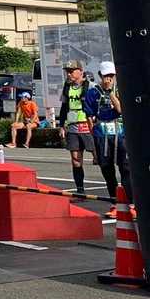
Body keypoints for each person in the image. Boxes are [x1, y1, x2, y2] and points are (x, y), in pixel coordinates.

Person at [91, 60, 130, 210]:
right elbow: (89, 117)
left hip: (120, 134)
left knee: (125, 168)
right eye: (106, 75)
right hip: (102, 135)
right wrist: (93, 142)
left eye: (112, 75)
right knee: (107, 169)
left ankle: (131, 202)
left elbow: (120, 109)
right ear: (100, 75)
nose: (109, 79)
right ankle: (115, 203)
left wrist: (110, 92)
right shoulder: (93, 92)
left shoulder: (121, 90)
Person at [56, 60, 97, 193]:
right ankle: (80, 189)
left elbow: (97, 104)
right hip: (73, 126)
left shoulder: (91, 86)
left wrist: (95, 120)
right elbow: (64, 107)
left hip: (88, 125)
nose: (69, 74)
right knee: (75, 159)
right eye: (67, 72)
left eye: (71, 71)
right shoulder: (67, 87)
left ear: (80, 71)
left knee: (98, 157)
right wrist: (61, 125)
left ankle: (113, 188)